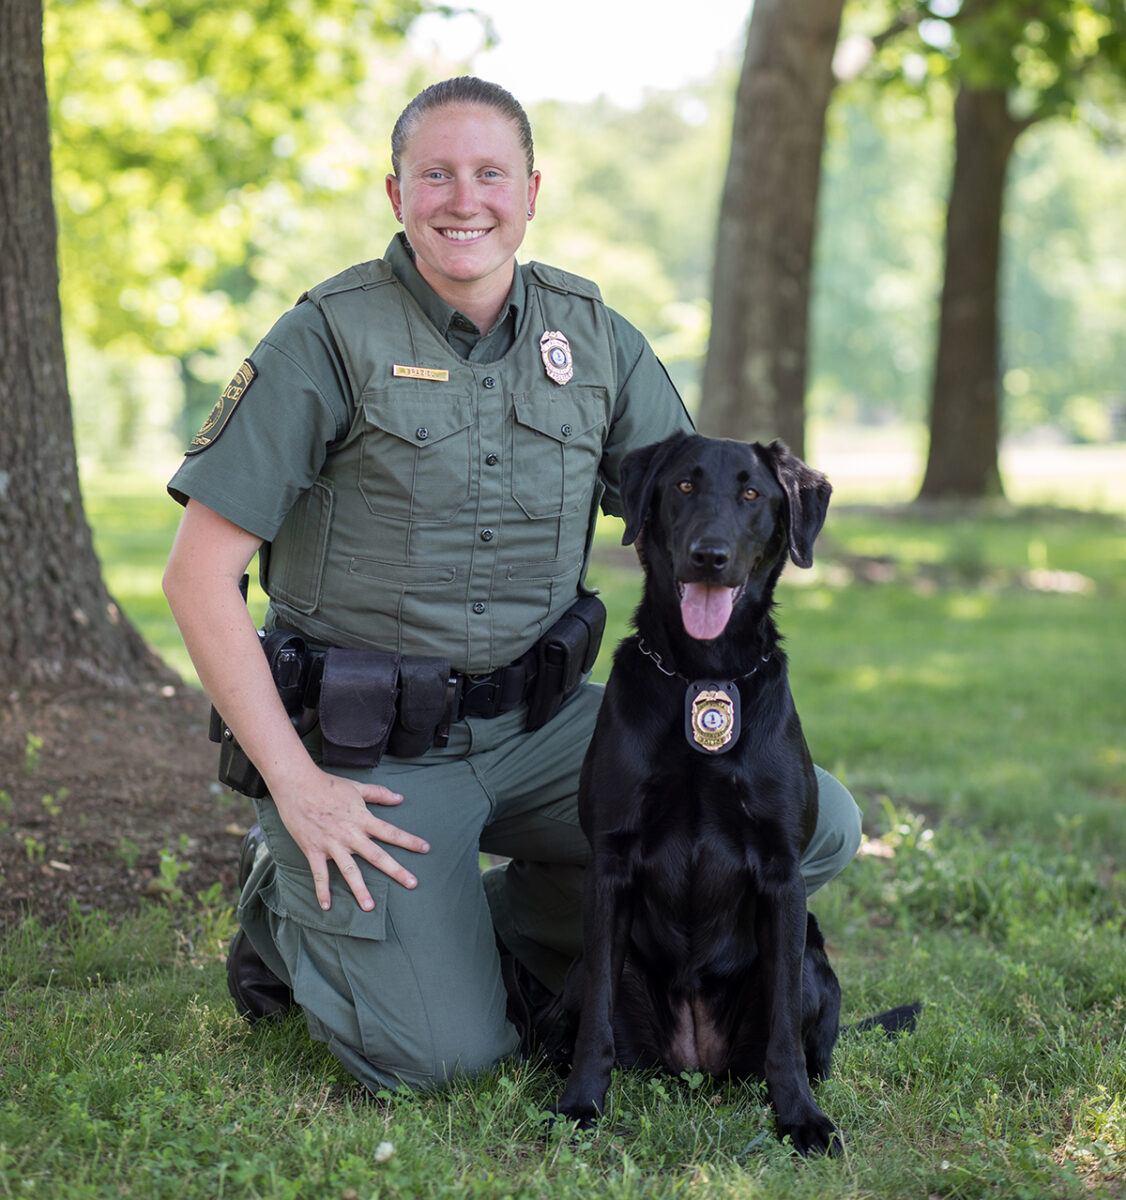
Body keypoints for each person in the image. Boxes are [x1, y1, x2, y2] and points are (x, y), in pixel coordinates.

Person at [163, 77, 862, 1093]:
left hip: (541, 729)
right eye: (434, 174)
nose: (464, 199)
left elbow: (689, 498)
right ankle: (282, 906)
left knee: (817, 822)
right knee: (447, 1060)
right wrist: (298, 787)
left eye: (490, 173)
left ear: (529, 192)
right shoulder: (326, 338)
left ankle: (469, 915)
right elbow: (197, 579)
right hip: (370, 754)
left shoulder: (593, 341)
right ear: (395, 194)